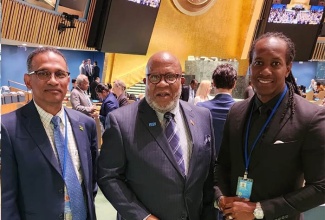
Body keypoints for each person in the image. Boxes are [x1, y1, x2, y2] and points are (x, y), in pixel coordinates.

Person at [214, 32, 325, 220]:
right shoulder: (236, 112)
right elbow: (222, 165)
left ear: (288, 69)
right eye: (258, 63)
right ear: (250, 67)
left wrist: (260, 210)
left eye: (275, 63)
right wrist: (221, 197)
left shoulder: (311, 117)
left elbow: (321, 187)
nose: (265, 71)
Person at [97, 51, 215, 220]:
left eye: (170, 77)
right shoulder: (121, 121)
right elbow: (109, 177)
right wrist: (143, 217)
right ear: (145, 81)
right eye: (154, 77)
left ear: (181, 81)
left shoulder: (202, 116)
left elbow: (208, 174)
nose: (162, 84)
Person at [1, 47, 98, 220]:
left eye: (60, 74)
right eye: (43, 73)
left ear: (68, 81)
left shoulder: (86, 124)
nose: (53, 81)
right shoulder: (8, 127)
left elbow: (91, 181)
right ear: (28, 80)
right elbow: (8, 196)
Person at [197, 63, 237, 156]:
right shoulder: (243, 110)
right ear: (234, 84)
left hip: (207, 162)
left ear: (213, 83)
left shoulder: (199, 108)